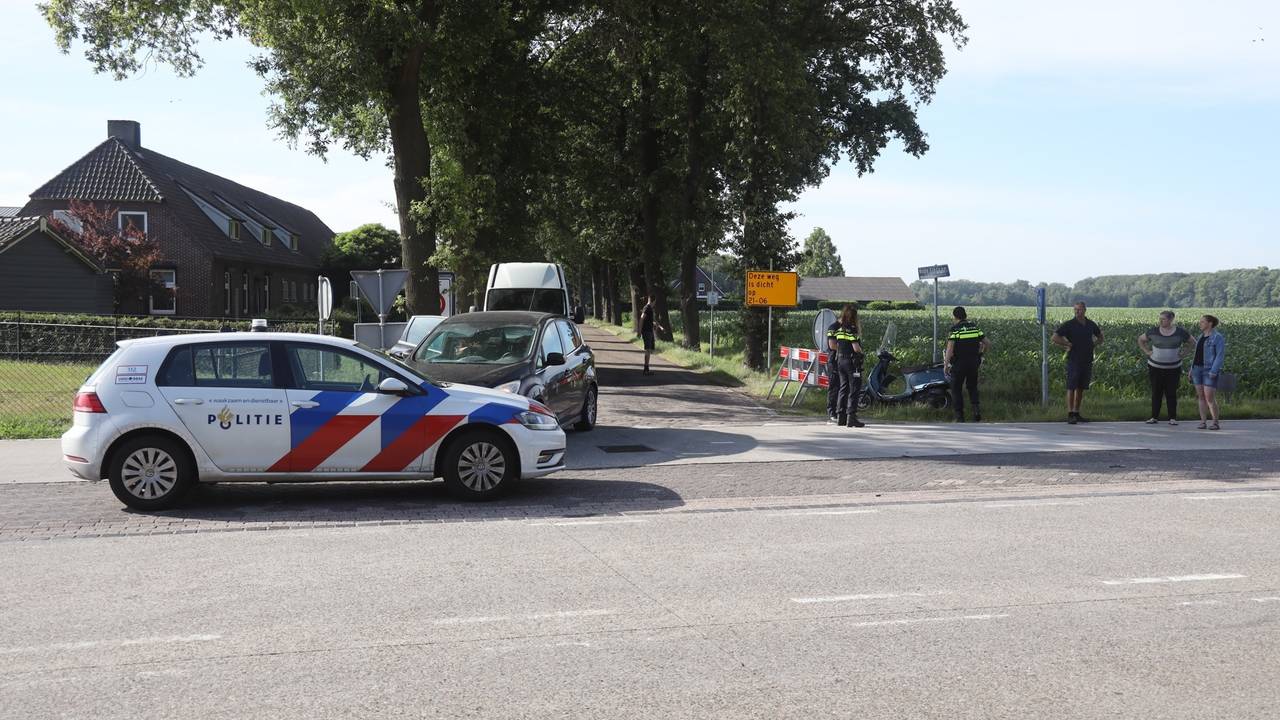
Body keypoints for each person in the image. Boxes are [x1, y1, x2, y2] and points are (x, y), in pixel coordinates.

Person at [1051, 302, 1104, 424]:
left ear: (1085, 310)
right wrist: (1067, 344)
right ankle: (1070, 414)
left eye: (1079, 310)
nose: (1077, 312)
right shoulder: (1069, 324)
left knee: (1081, 387)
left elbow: (1100, 337)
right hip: (1074, 360)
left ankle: (1076, 412)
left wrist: (1093, 345)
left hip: (1087, 359)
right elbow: (1055, 337)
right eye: (1075, 310)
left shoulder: (1090, 324)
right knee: (1071, 386)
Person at [1137, 310, 1193, 425]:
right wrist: (1147, 351)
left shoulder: (1180, 332)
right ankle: (1154, 417)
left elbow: (1192, 342)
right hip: (1155, 367)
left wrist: (1184, 353)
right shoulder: (1153, 331)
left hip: (1174, 368)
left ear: (1171, 319)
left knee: (1171, 392)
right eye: (1160, 319)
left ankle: (1172, 418)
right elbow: (1141, 340)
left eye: (1163, 319)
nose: (1160, 321)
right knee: (1156, 392)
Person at [944, 306, 991, 422]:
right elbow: (988, 343)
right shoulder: (974, 327)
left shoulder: (955, 329)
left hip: (959, 363)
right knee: (972, 387)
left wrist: (946, 364)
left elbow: (950, 349)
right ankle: (976, 411)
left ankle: (959, 416)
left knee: (956, 389)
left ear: (955, 316)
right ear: (965, 315)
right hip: (973, 363)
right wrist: (981, 354)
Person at [827, 304, 865, 428]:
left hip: (840, 361)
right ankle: (851, 417)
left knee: (843, 388)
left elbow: (835, 345)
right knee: (854, 388)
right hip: (851, 362)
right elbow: (856, 348)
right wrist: (861, 353)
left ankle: (841, 417)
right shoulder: (852, 329)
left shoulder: (839, 329)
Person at [1190, 314, 1226, 430]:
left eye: (1202, 322)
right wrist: (1192, 368)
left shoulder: (1217, 337)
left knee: (1209, 397)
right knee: (1200, 396)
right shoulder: (1201, 336)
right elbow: (1197, 355)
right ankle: (1203, 422)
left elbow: (1220, 356)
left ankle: (1215, 422)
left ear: (1210, 323)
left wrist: (1214, 370)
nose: (1200, 324)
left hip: (1209, 370)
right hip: (1197, 369)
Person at [638, 296, 665, 376]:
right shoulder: (647, 308)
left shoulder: (649, 309)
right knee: (648, 349)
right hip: (646, 331)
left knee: (649, 350)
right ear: (653, 301)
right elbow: (642, 318)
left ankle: (646, 369)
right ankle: (646, 370)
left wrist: (660, 326)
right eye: (655, 302)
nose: (655, 304)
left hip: (649, 331)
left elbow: (651, 320)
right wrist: (639, 331)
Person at [825, 315, 843, 423]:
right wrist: (846, 348)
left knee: (842, 387)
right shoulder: (833, 328)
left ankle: (840, 410)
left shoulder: (845, 328)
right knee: (834, 386)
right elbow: (832, 345)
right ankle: (831, 411)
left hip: (843, 360)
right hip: (834, 361)